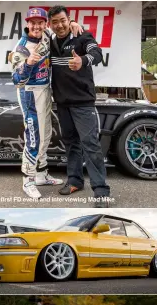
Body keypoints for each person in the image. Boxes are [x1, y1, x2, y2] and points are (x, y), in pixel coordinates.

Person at [11, 8, 82, 199]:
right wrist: (28, 64)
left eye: (40, 22)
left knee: (47, 134)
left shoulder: (47, 35)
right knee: (34, 137)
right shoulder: (21, 48)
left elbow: (63, 28)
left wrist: (73, 22)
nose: (36, 26)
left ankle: (41, 174)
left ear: (45, 24)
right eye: (33, 23)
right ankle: (28, 180)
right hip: (29, 93)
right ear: (27, 24)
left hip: (45, 90)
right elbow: (16, 80)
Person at [47, 5, 110, 207]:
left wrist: (83, 60)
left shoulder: (82, 36)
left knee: (90, 145)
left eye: (63, 20)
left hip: (83, 103)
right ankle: (75, 181)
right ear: (50, 24)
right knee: (71, 144)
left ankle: (101, 191)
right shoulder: (50, 42)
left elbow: (97, 53)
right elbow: (28, 41)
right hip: (62, 103)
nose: (59, 25)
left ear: (69, 20)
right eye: (55, 22)